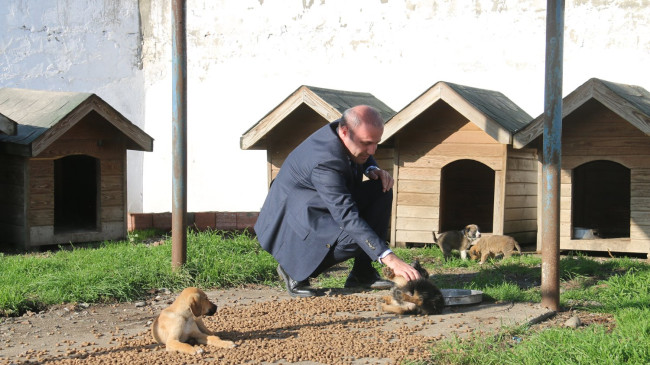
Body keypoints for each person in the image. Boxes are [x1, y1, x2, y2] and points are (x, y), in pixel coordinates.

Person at [254, 105, 422, 297]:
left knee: (381, 189)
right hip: (294, 221)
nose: (373, 149)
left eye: (376, 143)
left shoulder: (344, 129)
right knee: (353, 239)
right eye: (367, 143)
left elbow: (363, 153)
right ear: (345, 132)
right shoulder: (325, 162)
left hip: (318, 203)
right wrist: (390, 259)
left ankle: (362, 273)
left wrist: (370, 168)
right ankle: (292, 269)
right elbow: (346, 216)